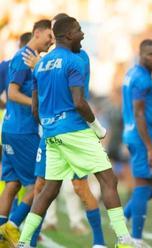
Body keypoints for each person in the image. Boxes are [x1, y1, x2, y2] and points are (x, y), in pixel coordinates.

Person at [17, 16, 132, 248]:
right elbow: (79, 102)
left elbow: (35, 108)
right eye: (79, 31)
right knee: (108, 180)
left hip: (51, 134)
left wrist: (50, 127)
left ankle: (22, 241)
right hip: (74, 130)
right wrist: (98, 128)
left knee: (48, 189)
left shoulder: (41, 64)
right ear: (68, 35)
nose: (83, 34)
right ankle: (124, 240)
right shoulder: (74, 61)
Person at [0, 20, 53, 248]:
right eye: (49, 36)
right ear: (37, 33)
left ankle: (1, 234)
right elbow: (11, 92)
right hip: (23, 131)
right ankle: (12, 226)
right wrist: (36, 103)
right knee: (42, 181)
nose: (52, 41)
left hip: (10, 128)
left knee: (12, 184)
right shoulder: (24, 58)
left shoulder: (25, 57)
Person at [121, 38, 152, 247]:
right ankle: (135, 239)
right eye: (150, 55)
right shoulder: (141, 79)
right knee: (144, 186)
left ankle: (122, 218)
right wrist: (149, 148)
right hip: (141, 136)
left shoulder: (133, 73)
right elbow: (138, 113)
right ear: (141, 55)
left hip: (139, 135)